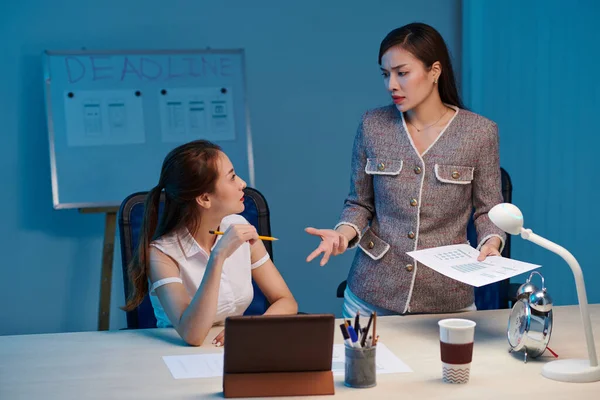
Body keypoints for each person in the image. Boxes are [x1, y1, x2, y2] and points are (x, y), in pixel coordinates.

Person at [305, 22, 506, 317]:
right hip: (369, 297)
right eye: (386, 75)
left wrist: (491, 241)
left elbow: (489, 209)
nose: (391, 85)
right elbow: (359, 203)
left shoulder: (479, 132)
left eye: (402, 72)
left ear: (434, 71)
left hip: (448, 299)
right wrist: (342, 235)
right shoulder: (372, 125)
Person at [123, 140, 297, 346]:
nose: (242, 183)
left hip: (233, 348)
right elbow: (193, 335)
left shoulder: (239, 225)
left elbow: (286, 301)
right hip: (179, 356)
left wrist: (253, 329)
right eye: (232, 177)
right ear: (205, 198)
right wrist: (218, 257)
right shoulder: (162, 254)